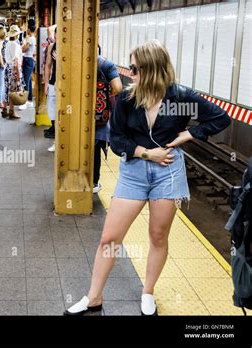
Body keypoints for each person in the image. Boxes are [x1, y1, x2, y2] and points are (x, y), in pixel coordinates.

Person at [64, 40, 231, 316]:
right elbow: (117, 139)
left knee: (157, 235)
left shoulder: (180, 98)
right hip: (134, 172)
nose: (130, 73)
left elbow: (220, 118)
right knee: (109, 238)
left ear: (152, 69)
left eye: (135, 68)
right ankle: (94, 297)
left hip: (168, 172)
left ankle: (148, 292)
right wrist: (146, 153)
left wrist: (186, 136)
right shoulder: (129, 99)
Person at [93, 51, 123, 193]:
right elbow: (118, 88)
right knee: (95, 146)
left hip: (75, 114)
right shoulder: (105, 64)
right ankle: (93, 183)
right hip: (99, 116)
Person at [2, 25, 24, 120]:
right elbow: (15, 59)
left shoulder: (7, 43)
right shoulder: (15, 44)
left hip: (7, 68)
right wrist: (18, 75)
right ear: (17, 35)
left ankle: (4, 109)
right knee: (13, 91)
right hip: (13, 69)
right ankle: (12, 111)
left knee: (7, 89)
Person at [19, 24, 37, 111]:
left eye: (27, 29)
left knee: (25, 81)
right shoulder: (31, 38)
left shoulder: (31, 39)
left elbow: (23, 49)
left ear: (29, 29)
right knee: (28, 81)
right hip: (28, 59)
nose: (26, 30)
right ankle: (29, 101)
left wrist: (24, 43)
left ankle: (25, 102)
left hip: (28, 60)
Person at [44, 28, 56, 151]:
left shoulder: (68, 47)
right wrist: (46, 83)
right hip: (53, 83)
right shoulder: (51, 47)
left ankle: (59, 141)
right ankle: (56, 139)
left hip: (65, 85)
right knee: (52, 111)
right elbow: (47, 66)